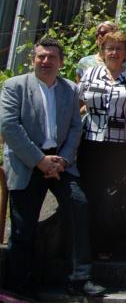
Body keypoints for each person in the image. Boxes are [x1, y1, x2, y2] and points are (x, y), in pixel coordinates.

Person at [0, 37, 106, 298]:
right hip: (28, 162)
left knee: (79, 207)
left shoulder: (69, 88)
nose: (45, 61)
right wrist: (39, 160)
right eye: (41, 56)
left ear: (61, 62)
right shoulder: (15, 86)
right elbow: (9, 127)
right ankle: (20, 283)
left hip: (60, 163)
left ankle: (80, 278)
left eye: (51, 57)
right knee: (23, 227)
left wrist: (64, 159)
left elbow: (74, 126)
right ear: (34, 59)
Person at [78, 30, 126, 260]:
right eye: (110, 48)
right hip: (90, 142)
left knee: (112, 195)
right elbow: (77, 104)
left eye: (119, 48)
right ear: (102, 51)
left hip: (120, 145)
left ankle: (105, 244)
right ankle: (85, 243)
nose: (114, 52)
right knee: (90, 192)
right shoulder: (89, 75)